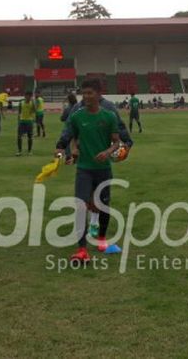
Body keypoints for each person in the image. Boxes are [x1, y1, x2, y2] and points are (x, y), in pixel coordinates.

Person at [56, 79, 123, 264]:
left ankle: (102, 239)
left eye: (89, 93)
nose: (86, 96)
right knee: (80, 206)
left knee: (102, 206)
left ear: (98, 94)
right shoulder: (77, 116)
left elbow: (117, 141)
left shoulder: (109, 116)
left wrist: (108, 151)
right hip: (84, 169)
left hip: (103, 169)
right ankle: (82, 249)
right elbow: (70, 134)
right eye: (83, 93)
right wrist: (63, 147)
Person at [16, 91, 36, 156]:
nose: (28, 97)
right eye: (27, 96)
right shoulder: (21, 103)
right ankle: (19, 151)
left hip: (29, 121)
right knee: (19, 136)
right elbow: (19, 112)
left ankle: (29, 151)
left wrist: (34, 104)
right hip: (22, 121)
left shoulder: (32, 103)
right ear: (25, 96)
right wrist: (18, 120)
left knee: (30, 137)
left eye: (29, 96)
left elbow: (34, 111)